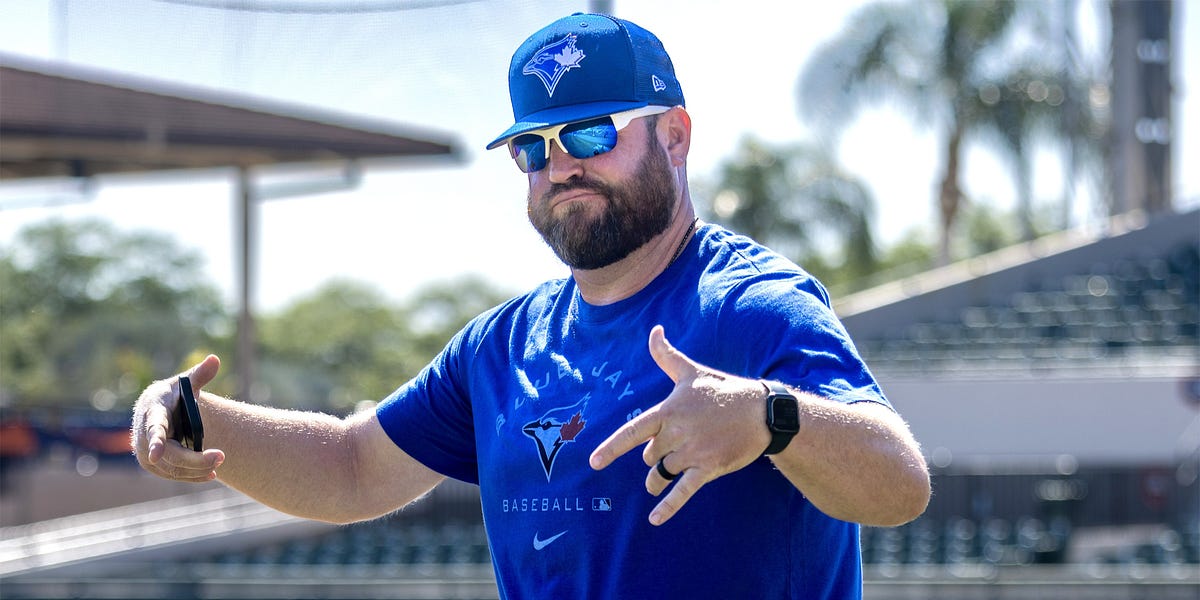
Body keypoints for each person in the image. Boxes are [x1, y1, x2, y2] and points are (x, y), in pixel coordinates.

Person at [132, 13, 929, 599]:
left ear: (675, 137)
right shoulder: (500, 347)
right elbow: (351, 467)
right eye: (532, 148)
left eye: (588, 136)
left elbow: (901, 483)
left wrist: (768, 418)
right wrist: (190, 413)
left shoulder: (751, 306)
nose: (560, 168)